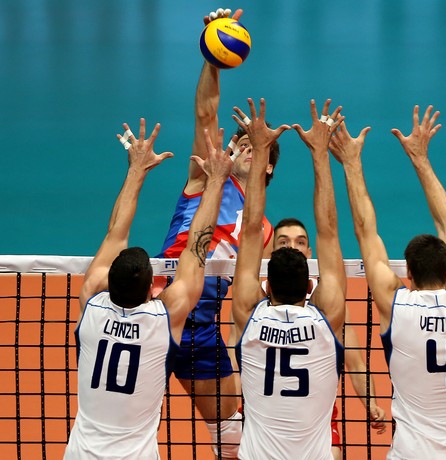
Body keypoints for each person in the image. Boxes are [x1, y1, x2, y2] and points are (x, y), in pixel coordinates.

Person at [64, 119, 233, 459]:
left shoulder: (93, 305)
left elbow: (115, 232)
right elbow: (196, 248)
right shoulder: (162, 319)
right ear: (151, 289)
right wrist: (216, 180)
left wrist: (136, 170)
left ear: (110, 282)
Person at [330, 105, 446, 459]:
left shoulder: (398, 306)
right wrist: (420, 158)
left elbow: (365, 232)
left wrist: (351, 164)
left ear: (409, 277)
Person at [157, 8, 280, 458]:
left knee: (232, 431)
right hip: (155, 311)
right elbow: (206, 113)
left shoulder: (263, 229)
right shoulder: (206, 177)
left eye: (256, 146)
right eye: (240, 142)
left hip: (200, 330)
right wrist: (212, 53)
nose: (245, 146)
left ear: (268, 164)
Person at [232, 98, 346, 459]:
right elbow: (327, 231)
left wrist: (261, 151)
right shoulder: (326, 317)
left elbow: (250, 231)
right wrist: (320, 153)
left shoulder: (250, 314)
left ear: (266, 285)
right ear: (311, 286)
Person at [272, 219, 387, 457]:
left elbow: (356, 364)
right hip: (265, 419)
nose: (293, 247)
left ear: (310, 253)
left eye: (300, 242)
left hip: (317, 422)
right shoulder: (256, 299)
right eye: (284, 242)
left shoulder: (328, 304)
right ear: (270, 251)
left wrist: (371, 403)